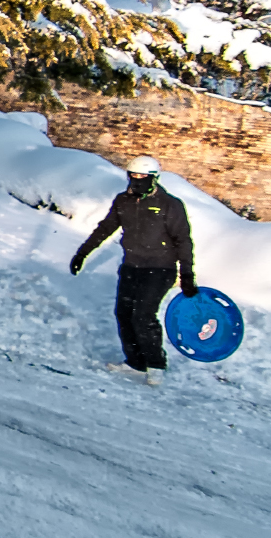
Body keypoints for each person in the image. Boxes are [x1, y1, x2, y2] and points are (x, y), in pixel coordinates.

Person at [69, 156, 196, 384]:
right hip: (131, 267)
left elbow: (183, 240)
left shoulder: (170, 205)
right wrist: (82, 253)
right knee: (124, 314)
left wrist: (187, 273)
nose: (137, 181)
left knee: (143, 315)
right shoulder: (123, 201)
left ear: (154, 179)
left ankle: (156, 364)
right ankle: (135, 363)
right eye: (133, 176)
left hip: (160, 269)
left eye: (143, 177)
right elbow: (105, 228)